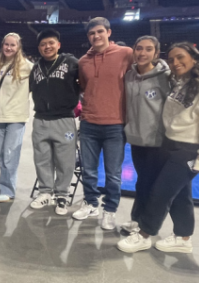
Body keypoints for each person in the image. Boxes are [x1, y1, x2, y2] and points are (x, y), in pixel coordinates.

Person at [117, 42, 199, 254]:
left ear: (194, 58)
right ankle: (183, 238)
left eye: (180, 57)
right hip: (170, 144)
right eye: (171, 59)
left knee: (160, 193)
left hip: (189, 148)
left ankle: (144, 235)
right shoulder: (181, 82)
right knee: (179, 195)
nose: (175, 63)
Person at [72, 17, 133, 229]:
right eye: (91, 33)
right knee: (88, 170)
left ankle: (110, 209)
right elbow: (83, 88)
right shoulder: (83, 61)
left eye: (99, 32)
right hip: (89, 123)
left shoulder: (126, 54)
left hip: (116, 125)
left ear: (108, 32)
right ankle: (90, 203)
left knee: (113, 174)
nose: (95, 36)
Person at [119, 36, 171, 234]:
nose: (142, 53)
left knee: (153, 185)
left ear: (156, 54)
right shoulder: (129, 76)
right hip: (137, 140)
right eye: (139, 48)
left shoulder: (165, 77)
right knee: (142, 181)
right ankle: (137, 220)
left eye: (148, 49)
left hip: (159, 142)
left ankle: (147, 227)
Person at [28, 29, 80, 215]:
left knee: (65, 161)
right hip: (41, 119)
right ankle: (45, 192)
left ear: (58, 44)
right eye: (43, 44)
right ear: (39, 48)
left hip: (64, 119)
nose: (47, 47)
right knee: (42, 159)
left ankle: (62, 195)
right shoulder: (35, 68)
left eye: (50, 43)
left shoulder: (72, 63)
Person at [0, 33, 34, 203]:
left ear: (18, 47)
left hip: (16, 116)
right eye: (6, 44)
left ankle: (8, 190)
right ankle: (4, 186)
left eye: (12, 45)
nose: (9, 48)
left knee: (10, 154)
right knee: (1, 155)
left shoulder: (27, 66)